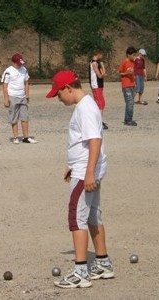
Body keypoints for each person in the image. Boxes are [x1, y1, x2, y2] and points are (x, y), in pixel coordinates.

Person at [46, 70, 114, 289]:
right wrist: (73, 165)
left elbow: (94, 140)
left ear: (68, 88)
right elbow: (84, 143)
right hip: (85, 167)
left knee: (77, 218)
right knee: (93, 215)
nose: (58, 98)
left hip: (86, 171)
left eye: (59, 93)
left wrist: (87, 173)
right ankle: (102, 263)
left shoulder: (85, 108)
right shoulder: (87, 105)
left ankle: (81, 271)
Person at [1, 53, 38, 144]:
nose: (20, 64)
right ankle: (16, 137)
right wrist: (6, 99)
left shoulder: (24, 70)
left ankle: (26, 137)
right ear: (14, 62)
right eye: (18, 63)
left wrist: (27, 95)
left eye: (21, 62)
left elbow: (26, 83)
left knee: (25, 117)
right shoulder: (8, 71)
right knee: (14, 117)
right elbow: (5, 86)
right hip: (13, 96)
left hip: (22, 97)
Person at [89, 49, 108, 129]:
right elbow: (100, 75)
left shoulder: (97, 63)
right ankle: (98, 122)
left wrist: (102, 69)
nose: (102, 56)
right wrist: (103, 69)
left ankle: (99, 120)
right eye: (101, 55)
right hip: (96, 85)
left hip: (99, 85)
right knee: (100, 103)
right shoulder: (94, 63)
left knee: (101, 103)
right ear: (98, 54)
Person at [118, 46, 138, 126]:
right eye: (133, 55)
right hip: (126, 86)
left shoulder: (133, 62)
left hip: (132, 85)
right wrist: (126, 73)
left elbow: (134, 73)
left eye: (134, 55)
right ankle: (128, 120)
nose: (134, 56)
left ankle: (127, 119)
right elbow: (119, 73)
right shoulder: (124, 62)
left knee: (130, 103)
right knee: (130, 102)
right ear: (128, 55)